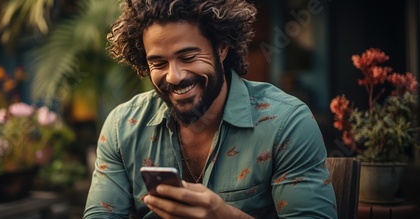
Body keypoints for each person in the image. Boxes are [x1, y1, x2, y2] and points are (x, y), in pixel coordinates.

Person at [83, 0, 337, 218]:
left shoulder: (286, 123)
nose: (174, 76)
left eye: (188, 57)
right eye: (159, 62)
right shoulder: (121, 127)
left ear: (222, 48)